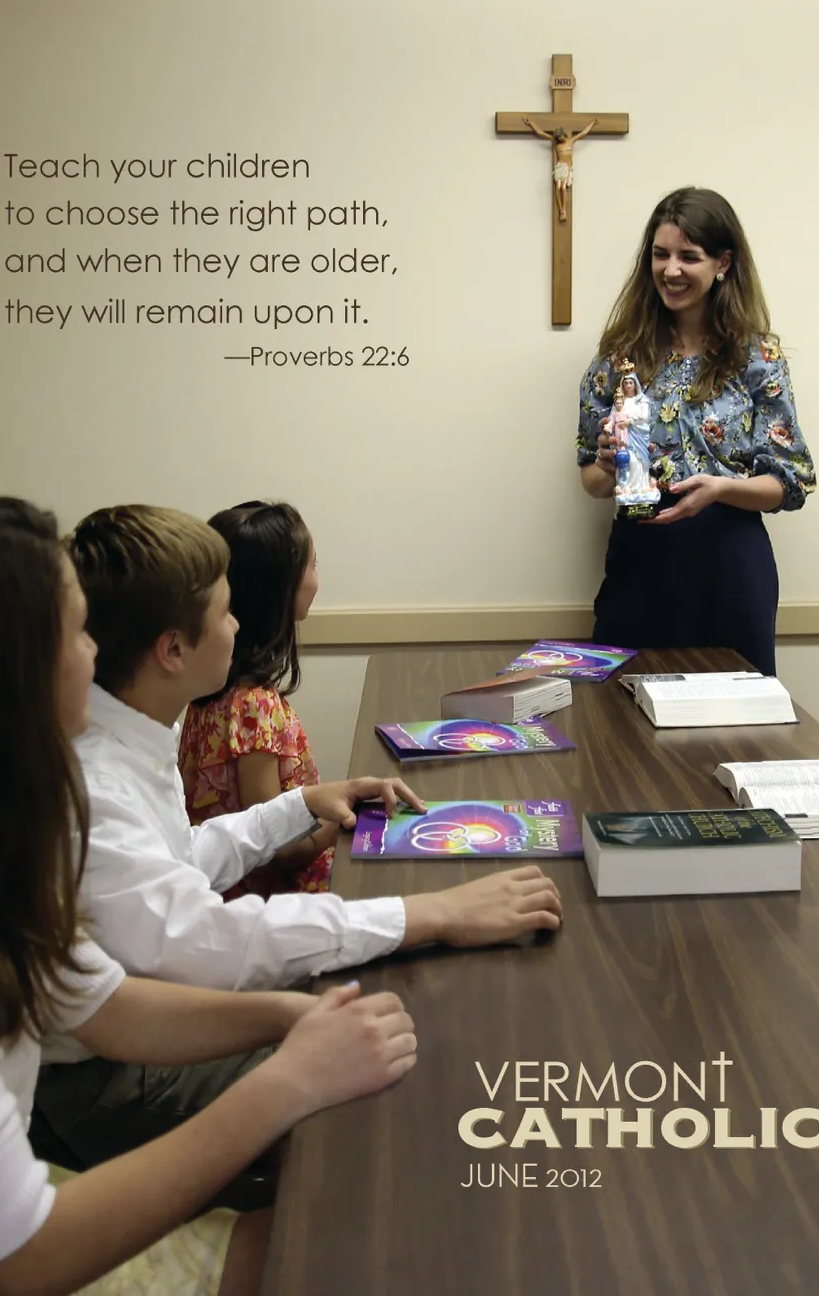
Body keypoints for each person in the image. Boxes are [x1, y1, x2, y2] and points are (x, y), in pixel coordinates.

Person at [0, 497, 418, 1296]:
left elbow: (106, 1004)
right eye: (76, 632)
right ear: (4, 678)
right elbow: (29, 1258)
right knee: (335, 1241)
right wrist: (286, 1083)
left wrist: (290, 1018)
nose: (94, 653)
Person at [31, 504, 562, 1181]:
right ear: (173, 650)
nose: (236, 625)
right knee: (406, 1067)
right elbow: (202, 945)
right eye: (224, 612)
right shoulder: (96, 781)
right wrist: (427, 914)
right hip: (110, 1080)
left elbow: (177, 862)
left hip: (151, 1016)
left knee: (400, 1014)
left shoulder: (137, 727)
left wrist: (299, 805)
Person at [576, 186, 817, 675]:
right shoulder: (620, 356)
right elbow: (593, 483)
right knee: (622, 713)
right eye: (660, 254)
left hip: (729, 565)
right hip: (640, 562)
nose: (671, 270)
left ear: (722, 263)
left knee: (735, 715)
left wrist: (721, 489)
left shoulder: (758, 359)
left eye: (689, 257)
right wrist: (607, 463)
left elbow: (790, 483)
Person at [179, 501, 334, 899]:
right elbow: (276, 848)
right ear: (279, 588)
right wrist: (344, 817)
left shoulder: (203, 695)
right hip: (274, 903)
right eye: (313, 565)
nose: (317, 578)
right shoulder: (253, 706)